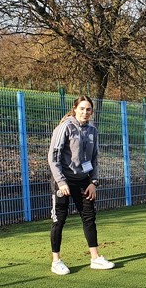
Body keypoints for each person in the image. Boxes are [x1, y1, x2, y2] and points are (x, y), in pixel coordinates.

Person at [48, 95, 115, 275]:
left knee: (89, 217)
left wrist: (93, 182)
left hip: (84, 181)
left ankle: (95, 258)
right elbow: (53, 158)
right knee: (59, 219)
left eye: (89, 109)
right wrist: (61, 182)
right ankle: (56, 261)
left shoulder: (92, 130)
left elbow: (94, 159)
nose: (85, 112)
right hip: (63, 180)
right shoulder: (65, 127)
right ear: (75, 108)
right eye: (82, 109)